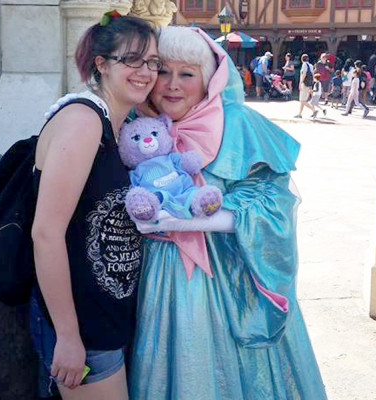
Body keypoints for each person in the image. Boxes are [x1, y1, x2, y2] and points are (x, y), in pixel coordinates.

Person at [128, 26, 326, 400]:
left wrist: (180, 219)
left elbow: (272, 204)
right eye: (163, 71)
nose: (172, 84)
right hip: (155, 273)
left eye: (187, 74)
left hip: (229, 275)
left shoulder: (239, 122)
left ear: (209, 80)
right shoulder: (136, 126)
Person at [29, 14, 160, 399]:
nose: (146, 72)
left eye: (152, 62)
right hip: (82, 328)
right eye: (131, 59)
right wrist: (68, 336)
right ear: (101, 64)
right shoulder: (83, 122)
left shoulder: (119, 125)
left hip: (106, 318)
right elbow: (46, 233)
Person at [294, 53, 316, 119]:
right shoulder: (311, 65)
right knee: (303, 99)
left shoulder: (304, 65)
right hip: (309, 84)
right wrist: (311, 85)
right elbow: (313, 75)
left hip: (304, 83)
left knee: (302, 100)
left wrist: (300, 83)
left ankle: (314, 110)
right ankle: (300, 113)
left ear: (302, 59)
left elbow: (304, 74)